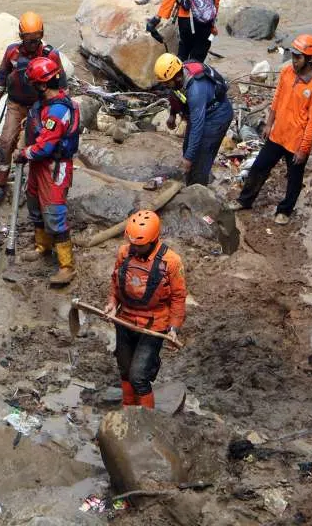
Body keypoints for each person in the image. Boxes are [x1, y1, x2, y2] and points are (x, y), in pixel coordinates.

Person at [230, 35, 312, 224]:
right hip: (278, 134)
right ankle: (245, 200)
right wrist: (269, 123)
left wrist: (303, 149)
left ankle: (284, 211)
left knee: (294, 179)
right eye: (293, 56)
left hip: (296, 142)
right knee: (259, 168)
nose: (294, 61)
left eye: (298, 58)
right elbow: (277, 98)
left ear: (310, 59)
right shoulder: (287, 72)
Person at [105, 211, 186, 409]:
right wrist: (112, 303)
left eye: (140, 245)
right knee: (124, 371)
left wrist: (173, 328)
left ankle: (147, 422)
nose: (135, 248)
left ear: (154, 239)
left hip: (154, 325)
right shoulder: (124, 253)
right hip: (125, 320)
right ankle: (127, 411)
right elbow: (116, 282)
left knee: (139, 376)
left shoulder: (172, 262)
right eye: (133, 243)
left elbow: (178, 297)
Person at [0, 11, 66, 205]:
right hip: (16, 104)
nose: (32, 45)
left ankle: (36, 185)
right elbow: (0, 79)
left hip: (41, 106)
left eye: (36, 40)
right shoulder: (12, 53)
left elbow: (62, 85)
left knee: (39, 146)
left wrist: (63, 111)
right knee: (5, 142)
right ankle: (0, 183)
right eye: (29, 40)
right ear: (21, 37)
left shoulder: (50, 55)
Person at [15, 56, 81, 286]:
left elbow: (46, 146)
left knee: (54, 212)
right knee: (34, 204)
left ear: (43, 85)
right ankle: (42, 245)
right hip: (38, 166)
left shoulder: (57, 112)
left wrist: (24, 153)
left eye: (34, 84)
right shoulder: (43, 105)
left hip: (54, 166)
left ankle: (66, 266)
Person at [154, 53, 233, 186]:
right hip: (201, 111)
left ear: (178, 77)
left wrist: (189, 158)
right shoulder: (178, 76)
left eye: (167, 83)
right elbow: (175, 94)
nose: (166, 86)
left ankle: (198, 190)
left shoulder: (196, 89)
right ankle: (189, 180)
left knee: (201, 157)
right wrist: (172, 114)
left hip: (217, 117)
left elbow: (197, 126)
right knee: (188, 148)